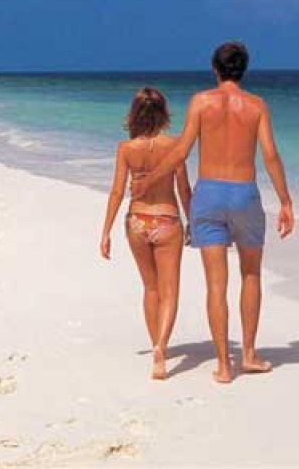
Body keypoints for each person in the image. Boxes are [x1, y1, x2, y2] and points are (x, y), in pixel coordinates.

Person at [132, 42, 294, 383]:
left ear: (214, 69)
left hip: (208, 196)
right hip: (244, 194)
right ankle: (248, 355)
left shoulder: (201, 102)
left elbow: (180, 152)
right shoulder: (256, 105)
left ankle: (223, 365)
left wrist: (149, 180)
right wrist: (285, 201)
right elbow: (270, 155)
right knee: (251, 274)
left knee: (215, 285)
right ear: (244, 69)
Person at [100, 87, 193, 380]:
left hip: (137, 222)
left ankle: (156, 345)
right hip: (167, 221)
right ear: (163, 113)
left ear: (135, 114)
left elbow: (117, 192)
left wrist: (106, 232)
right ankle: (161, 349)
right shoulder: (175, 146)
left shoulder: (126, 149)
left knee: (151, 288)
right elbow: (183, 189)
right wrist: (193, 221)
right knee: (170, 291)